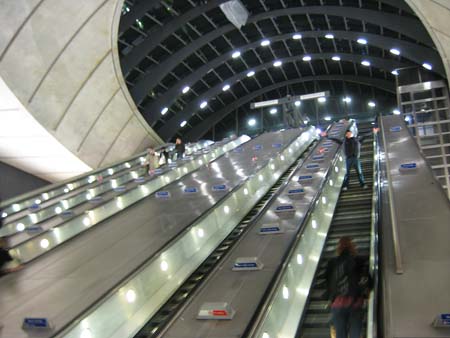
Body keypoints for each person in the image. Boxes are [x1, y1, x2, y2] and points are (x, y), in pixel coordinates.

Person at [326, 237, 372, 338]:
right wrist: (365, 294)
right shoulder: (359, 261)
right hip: (355, 303)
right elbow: (367, 280)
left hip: (337, 304)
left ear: (339, 248)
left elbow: (328, 283)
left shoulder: (332, 263)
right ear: (352, 247)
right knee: (355, 334)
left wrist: (331, 299)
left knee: (340, 335)